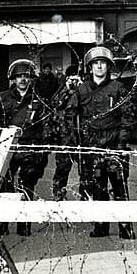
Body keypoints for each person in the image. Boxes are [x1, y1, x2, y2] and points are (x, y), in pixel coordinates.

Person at [65, 46, 137, 239]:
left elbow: (128, 118)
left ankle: (125, 227)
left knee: (120, 187)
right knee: (97, 187)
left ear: (108, 66)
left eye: (102, 63)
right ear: (90, 67)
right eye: (95, 63)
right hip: (92, 145)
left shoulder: (119, 88)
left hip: (114, 144)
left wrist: (121, 143)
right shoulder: (81, 90)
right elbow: (70, 114)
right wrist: (77, 140)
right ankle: (101, 226)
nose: (99, 66)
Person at [0, 59, 49, 236]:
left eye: (26, 76)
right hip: (6, 149)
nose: (22, 80)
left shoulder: (39, 100)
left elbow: (46, 127)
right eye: (19, 76)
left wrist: (41, 151)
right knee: (4, 186)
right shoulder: (2, 98)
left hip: (30, 148)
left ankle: (24, 224)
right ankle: (2, 224)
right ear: (13, 79)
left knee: (26, 186)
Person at [48, 65, 82, 201]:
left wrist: (80, 88)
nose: (73, 81)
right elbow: (55, 104)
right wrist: (66, 90)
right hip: (65, 137)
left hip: (82, 138)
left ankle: (85, 198)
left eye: (76, 77)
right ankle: (58, 196)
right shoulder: (62, 90)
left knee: (86, 172)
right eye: (71, 77)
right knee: (62, 170)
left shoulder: (85, 89)